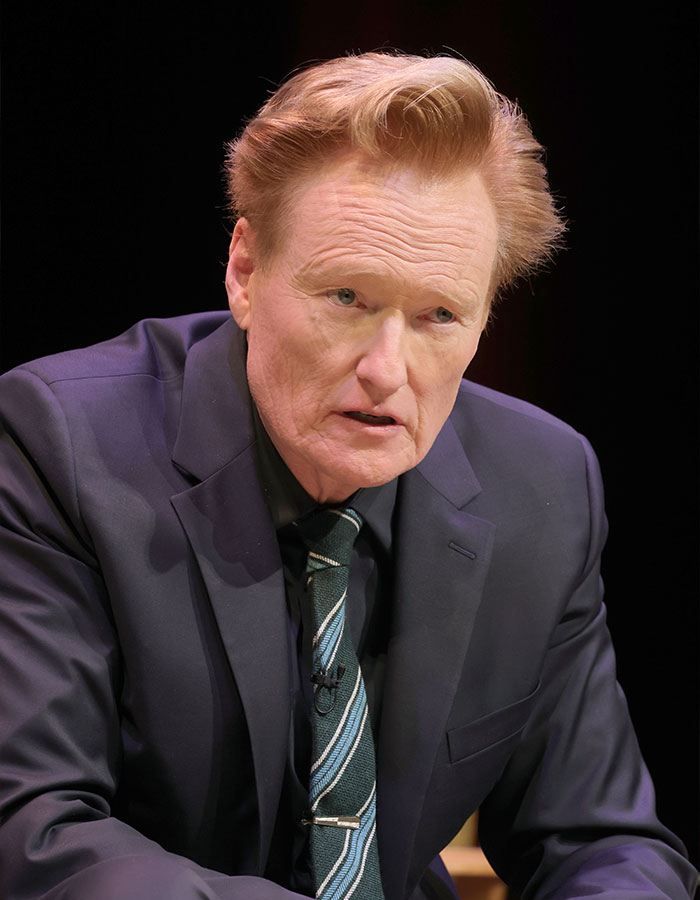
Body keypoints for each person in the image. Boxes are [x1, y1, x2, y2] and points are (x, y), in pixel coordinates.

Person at [0, 51, 696, 900]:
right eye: (347, 300)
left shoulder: (542, 486)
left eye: (440, 314)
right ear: (247, 272)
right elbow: (33, 828)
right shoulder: (61, 443)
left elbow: (601, 842)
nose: (387, 369)